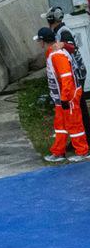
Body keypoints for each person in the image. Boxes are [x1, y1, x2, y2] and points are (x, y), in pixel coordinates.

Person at [36, 27, 88, 163]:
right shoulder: (55, 52)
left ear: (43, 41)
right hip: (62, 98)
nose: (38, 44)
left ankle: (83, 151)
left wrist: (65, 98)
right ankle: (59, 152)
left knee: (74, 124)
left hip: (67, 97)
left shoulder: (57, 55)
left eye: (39, 41)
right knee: (61, 125)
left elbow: (66, 78)